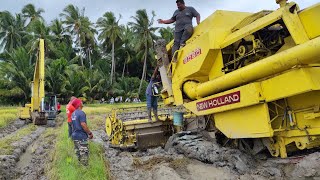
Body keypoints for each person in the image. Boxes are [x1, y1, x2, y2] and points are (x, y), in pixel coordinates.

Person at [71, 98, 93, 166]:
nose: (82, 103)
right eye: (81, 102)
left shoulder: (73, 114)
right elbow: (83, 124)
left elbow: (72, 126)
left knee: (78, 154)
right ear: (79, 104)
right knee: (84, 156)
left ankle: (78, 169)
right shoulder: (81, 113)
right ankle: (84, 171)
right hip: (81, 137)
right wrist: (90, 133)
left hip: (75, 136)